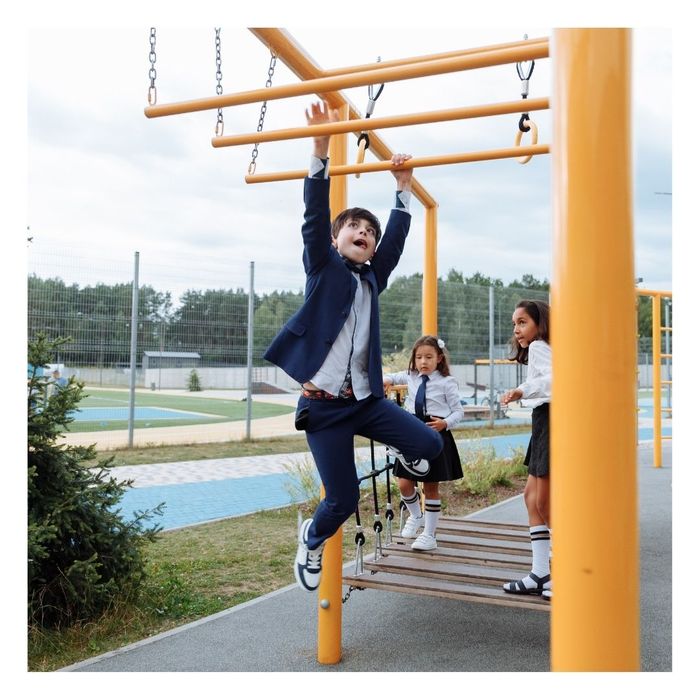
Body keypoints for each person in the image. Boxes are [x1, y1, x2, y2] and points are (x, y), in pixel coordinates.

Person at [264, 101, 443, 592]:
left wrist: (402, 190)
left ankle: (404, 470)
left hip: (365, 402)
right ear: (336, 239)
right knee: (340, 500)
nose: (364, 235)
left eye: (369, 232)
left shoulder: (372, 280)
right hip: (323, 408)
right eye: (355, 229)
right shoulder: (323, 269)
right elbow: (314, 215)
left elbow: (395, 245)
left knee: (428, 443)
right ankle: (313, 537)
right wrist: (321, 148)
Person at [383, 335, 464, 551]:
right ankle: (416, 516)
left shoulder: (447, 382)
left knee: (430, 486)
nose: (423, 362)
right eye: (419, 357)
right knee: (404, 482)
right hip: (411, 431)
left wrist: (445, 423)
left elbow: (458, 411)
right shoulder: (411, 375)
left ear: (439, 358)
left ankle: (429, 535)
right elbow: (391, 376)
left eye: (428, 357)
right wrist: (386, 380)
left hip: (435, 431)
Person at [500, 299, 552, 601]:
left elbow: (553, 380)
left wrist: (521, 390)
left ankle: (568, 570)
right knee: (531, 498)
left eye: (522, 323)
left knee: (545, 503)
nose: (517, 330)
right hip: (543, 420)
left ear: (539, 323)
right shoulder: (542, 347)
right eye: (514, 324)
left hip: (551, 418)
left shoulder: (539, 346)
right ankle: (539, 572)